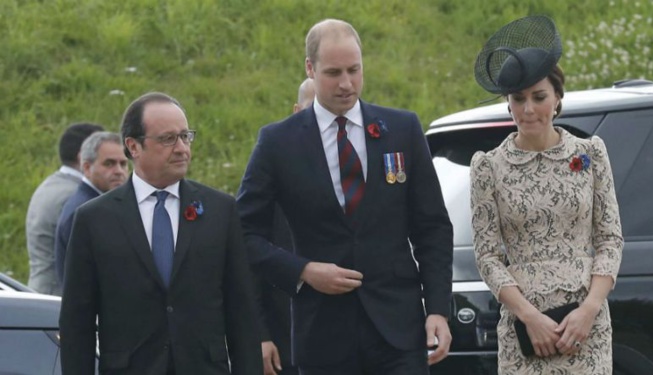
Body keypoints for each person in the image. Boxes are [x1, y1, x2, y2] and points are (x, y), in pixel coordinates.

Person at [238, 19, 454, 375]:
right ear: (310, 68)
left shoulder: (402, 130)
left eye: (354, 70)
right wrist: (303, 271)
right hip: (322, 335)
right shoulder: (278, 143)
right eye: (333, 72)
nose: (346, 84)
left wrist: (437, 309)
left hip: (398, 332)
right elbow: (244, 234)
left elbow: (432, 226)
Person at [59, 92, 262, 375]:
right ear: (134, 146)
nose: (181, 148)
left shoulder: (220, 211)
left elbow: (242, 313)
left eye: (185, 136)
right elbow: (76, 322)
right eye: (168, 139)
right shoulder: (94, 219)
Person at [469, 15, 623, 374]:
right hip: (525, 330)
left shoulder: (590, 153)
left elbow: (610, 240)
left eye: (538, 97)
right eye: (518, 98)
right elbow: (488, 256)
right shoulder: (488, 167)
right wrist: (529, 317)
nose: (528, 109)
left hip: (587, 328)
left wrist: (589, 309)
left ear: (557, 98)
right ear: (508, 103)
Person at [258, 77, 314, 375]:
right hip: (286, 340)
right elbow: (249, 258)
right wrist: (261, 334)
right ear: (296, 111)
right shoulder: (270, 170)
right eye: (313, 108)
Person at [26, 122, 104, 295]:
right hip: (58, 298)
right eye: (106, 159)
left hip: (38, 290)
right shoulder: (76, 197)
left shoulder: (50, 185)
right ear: (82, 158)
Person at [54, 131, 128, 287]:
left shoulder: (104, 205)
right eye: (109, 164)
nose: (119, 171)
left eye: (123, 164)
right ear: (87, 167)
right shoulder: (83, 212)